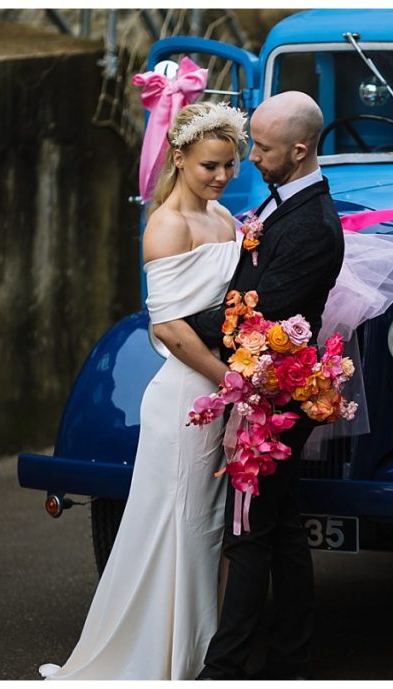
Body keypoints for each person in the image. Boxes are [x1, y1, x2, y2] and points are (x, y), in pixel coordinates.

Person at [39, 101, 247, 680]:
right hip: (188, 394)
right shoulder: (167, 225)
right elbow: (169, 328)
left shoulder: (226, 219)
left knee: (207, 525)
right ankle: (159, 655)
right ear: (178, 159)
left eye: (230, 165)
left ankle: (198, 647)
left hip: (217, 392)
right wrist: (229, 380)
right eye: (210, 165)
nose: (221, 176)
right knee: (176, 521)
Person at [159, 90, 344, 681]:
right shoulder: (282, 203)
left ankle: (225, 669)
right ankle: (292, 657)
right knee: (281, 529)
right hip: (267, 386)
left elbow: (257, 311)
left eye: (260, 150)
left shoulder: (313, 224)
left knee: (249, 536)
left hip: (274, 399)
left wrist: (182, 324)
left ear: (299, 149)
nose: (249, 160)